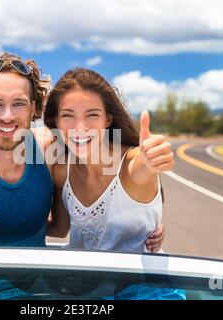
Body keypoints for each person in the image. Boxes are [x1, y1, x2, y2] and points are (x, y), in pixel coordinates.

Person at [0, 53, 165, 300]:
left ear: (33, 109)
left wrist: (146, 222)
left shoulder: (47, 149)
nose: (7, 116)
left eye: (18, 104)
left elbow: (111, 165)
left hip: (28, 288)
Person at [43, 68, 185, 299]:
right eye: (68, 115)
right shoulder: (61, 169)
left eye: (92, 114)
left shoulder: (131, 164)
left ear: (108, 119)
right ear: (56, 121)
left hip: (145, 289)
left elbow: (140, 167)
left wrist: (150, 159)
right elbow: (60, 229)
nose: (80, 127)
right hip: (86, 289)